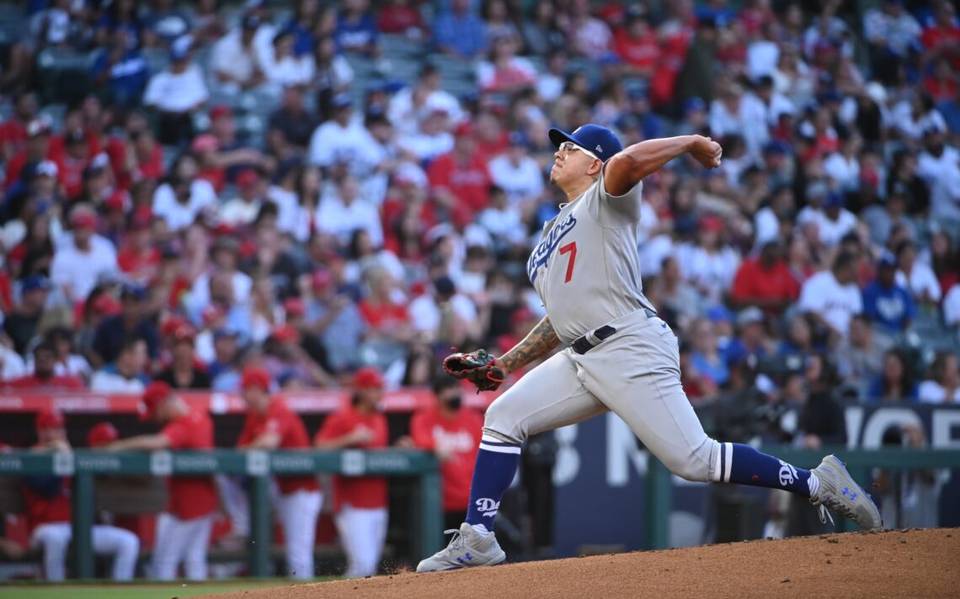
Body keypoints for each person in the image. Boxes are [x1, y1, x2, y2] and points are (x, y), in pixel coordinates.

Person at [417, 125, 881, 572]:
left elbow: (629, 161)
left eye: (572, 147)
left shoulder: (606, 199)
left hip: (629, 344)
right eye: (560, 146)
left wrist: (691, 142)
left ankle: (820, 483)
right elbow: (560, 317)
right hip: (582, 354)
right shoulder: (547, 236)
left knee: (696, 460)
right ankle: (478, 536)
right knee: (502, 417)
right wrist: (506, 362)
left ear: (595, 164)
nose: (559, 151)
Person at [106, 381, 219, 580]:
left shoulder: (184, 423)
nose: (156, 418)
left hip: (191, 504)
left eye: (155, 412)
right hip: (198, 501)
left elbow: (158, 442)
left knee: (165, 562)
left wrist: (117, 446)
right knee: (193, 558)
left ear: (164, 403)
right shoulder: (199, 414)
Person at [25, 409, 139, 581]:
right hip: (45, 527)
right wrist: (64, 459)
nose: (55, 433)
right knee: (55, 539)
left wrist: (68, 457)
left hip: (80, 528)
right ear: (40, 431)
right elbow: (47, 490)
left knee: (128, 542)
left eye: (58, 428)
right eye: (48, 428)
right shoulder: (32, 456)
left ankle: (121, 591)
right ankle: (56, 591)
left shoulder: (72, 454)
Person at [237, 366, 322, 580]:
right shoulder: (254, 416)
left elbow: (270, 441)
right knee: (292, 551)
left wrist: (254, 444)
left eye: (248, 389)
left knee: (298, 553)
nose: (245, 395)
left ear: (258, 389)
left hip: (303, 490)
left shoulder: (279, 408)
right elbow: (238, 452)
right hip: (283, 489)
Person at [314, 367, 389, 578]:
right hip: (351, 503)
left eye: (380, 389)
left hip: (378, 501)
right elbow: (319, 447)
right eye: (374, 389)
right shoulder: (343, 416)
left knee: (369, 567)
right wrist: (349, 438)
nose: (379, 393)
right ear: (362, 391)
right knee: (362, 566)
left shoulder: (379, 418)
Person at [408, 375, 483, 530]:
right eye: (449, 390)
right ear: (437, 396)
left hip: (471, 498)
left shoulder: (473, 418)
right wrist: (434, 445)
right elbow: (419, 438)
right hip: (439, 502)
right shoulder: (424, 418)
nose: (455, 393)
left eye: (457, 389)